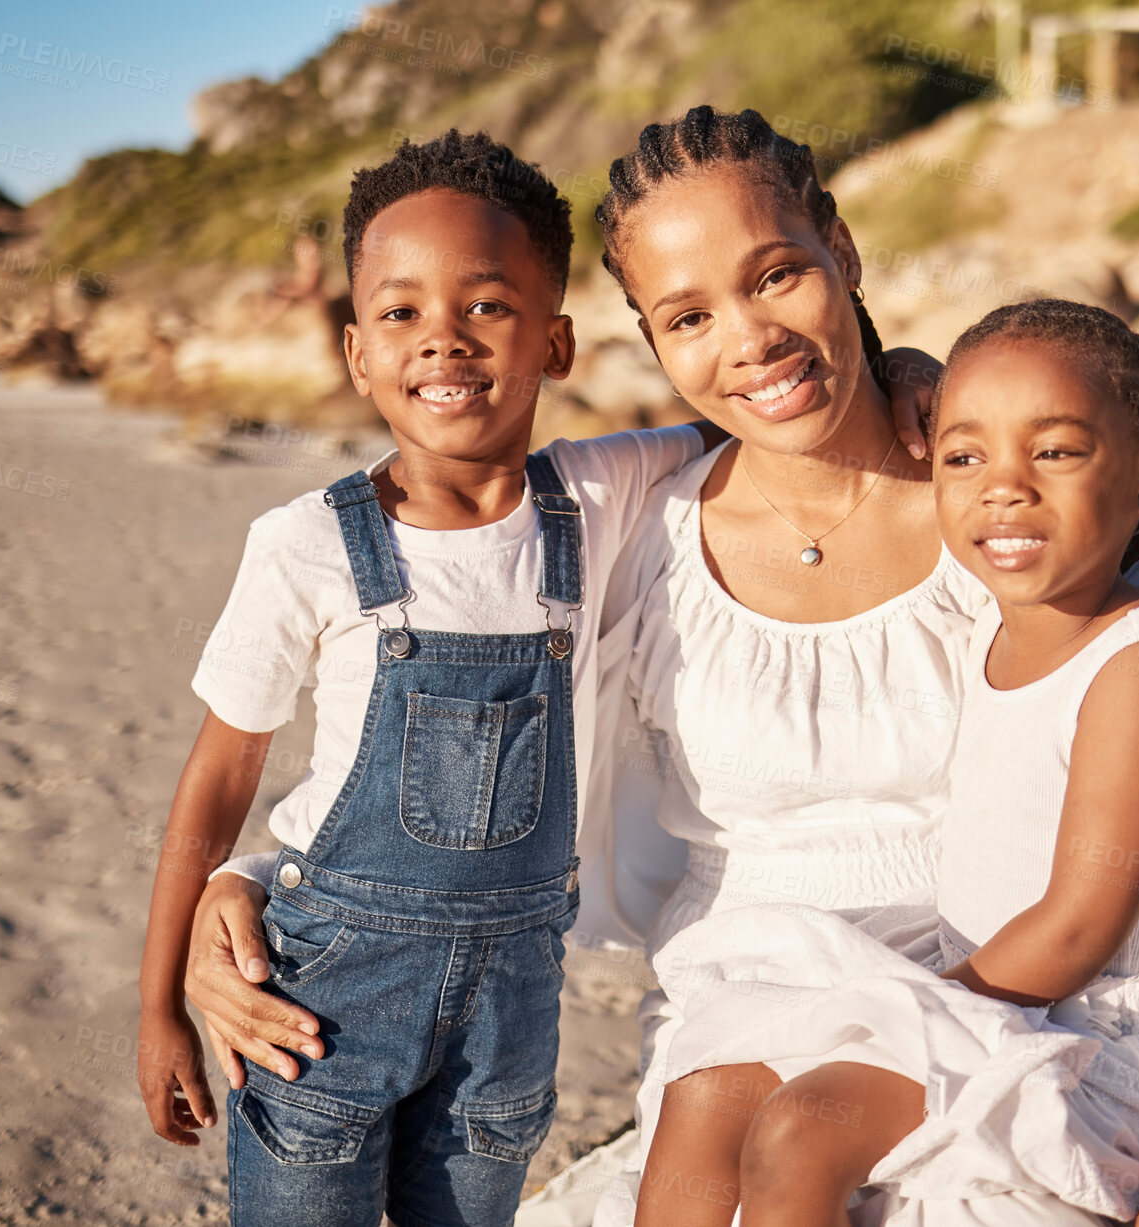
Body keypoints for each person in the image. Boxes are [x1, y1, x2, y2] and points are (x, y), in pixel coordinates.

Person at [186, 108, 1139, 1224]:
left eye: (777, 275)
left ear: (840, 249)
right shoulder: (626, 521)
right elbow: (440, 686)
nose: (748, 341)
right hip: (742, 1000)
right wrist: (254, 883)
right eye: (687, 317)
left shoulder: (1009, 503)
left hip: (1015, 990)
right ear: (644, 339)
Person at [633, 298, 1139, 1226]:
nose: (1004, 488)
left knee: (801, 1130)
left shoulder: (1137, 665)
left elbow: (1080, 924)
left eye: (1054, 453)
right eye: (965, 458)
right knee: (706, 1095)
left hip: (1100, 1039)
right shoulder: (990, 628)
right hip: (998, 991)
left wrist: (902, 1017)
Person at [135, 128, 719, 1227]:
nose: (443, 341)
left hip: (510, 1018)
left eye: (486, 308)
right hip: (320, 1003)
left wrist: (908, 379)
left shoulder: (605, 493)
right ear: (357, 353)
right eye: (401, 313)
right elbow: (218, 776)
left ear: (557, 343)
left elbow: (755, 420)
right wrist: (159, 995)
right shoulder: (305, 542)